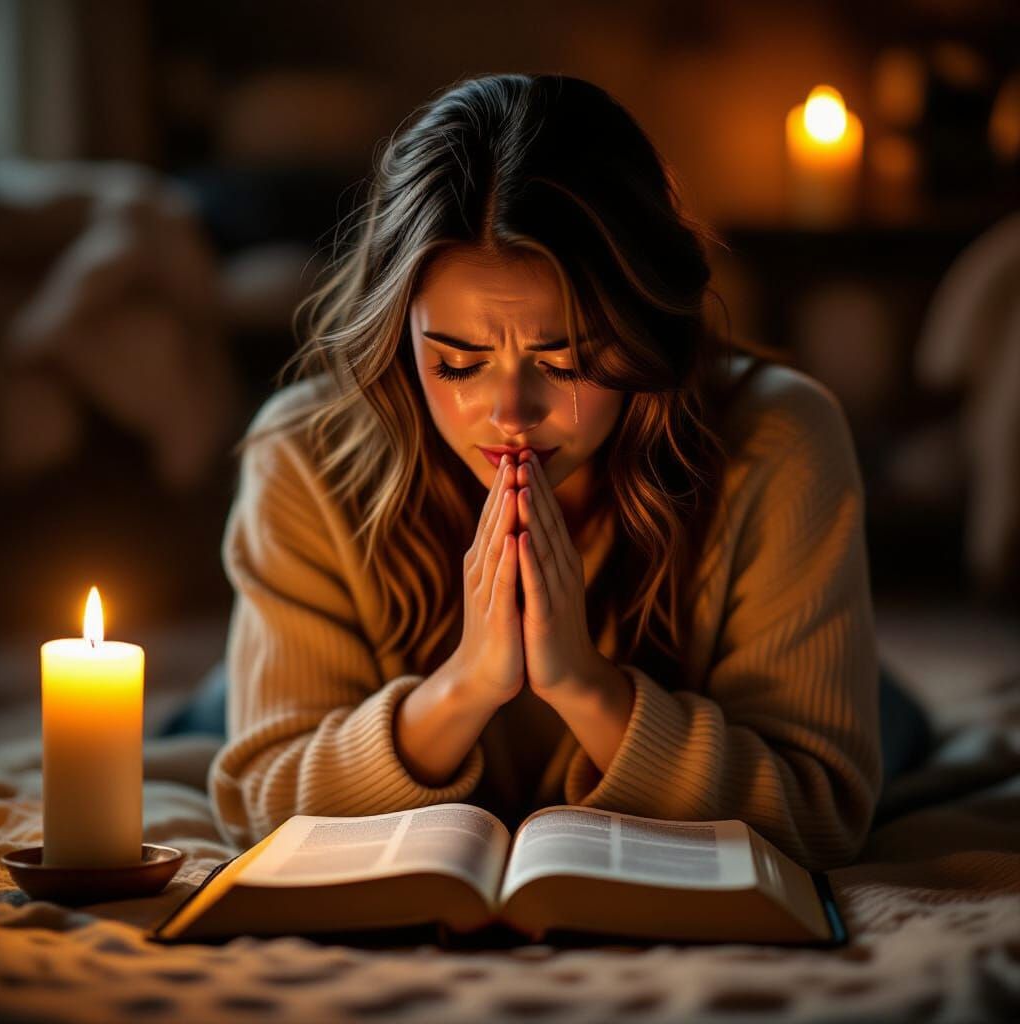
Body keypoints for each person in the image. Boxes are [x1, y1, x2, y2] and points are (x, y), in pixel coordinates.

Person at [205, 74, 899, 870]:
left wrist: (584, 684)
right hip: (320, 675)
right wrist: (464, 686)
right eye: (458, 364)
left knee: (895, 721)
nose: (509, 413)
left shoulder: (780, 439)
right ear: (399, 338)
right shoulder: (303, 454)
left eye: (565, 362)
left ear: (642, 327)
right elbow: (263, 791)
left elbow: (822, 807)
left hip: (786, 669)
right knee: (204, 714)